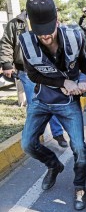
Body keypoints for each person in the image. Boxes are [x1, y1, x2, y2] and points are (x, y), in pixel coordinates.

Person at [19, 0, 86, 210]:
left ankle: (80, 187)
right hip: (41, 100)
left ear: (57, 20)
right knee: (27, 144)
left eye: (49, 29)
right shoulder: (27, 41)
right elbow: (33, 75)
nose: (45, 36)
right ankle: (53, 165)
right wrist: (62, 82)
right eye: (40, 31)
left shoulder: (75, 36)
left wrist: (84, 79)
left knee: (79, 147)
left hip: (68, 103)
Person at [0, 10, 68, 148]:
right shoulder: (16, 24)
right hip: (26, 70)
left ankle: (58, 133)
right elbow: (6, 43)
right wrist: (6, 63)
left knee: (52, 101)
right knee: (34, 104)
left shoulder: (48, 20)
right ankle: (35, 137)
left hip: (47, 69)